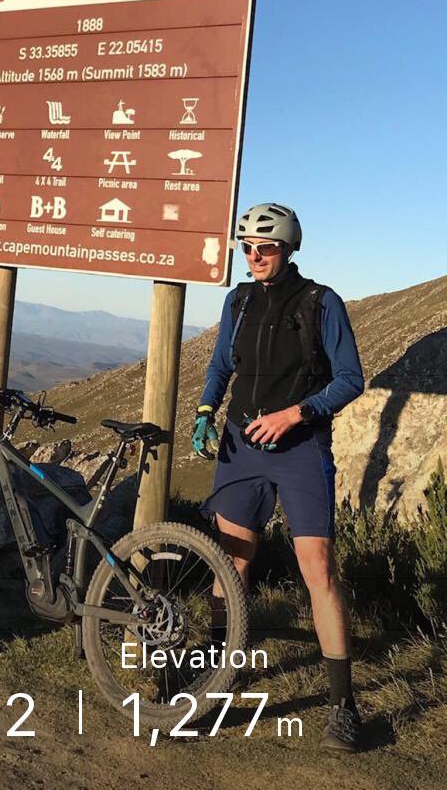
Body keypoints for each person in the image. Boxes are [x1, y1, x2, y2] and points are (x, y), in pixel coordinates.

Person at [191, 203, 365, 753]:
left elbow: (350, 380)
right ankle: (220, 679)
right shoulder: (238, 301)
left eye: (263, 248)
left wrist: (296, 414)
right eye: (246, 248)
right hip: (240, 445)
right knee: (231, 559)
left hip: (299, 448)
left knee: (318, 569)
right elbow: (222, 365)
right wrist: (203, 411)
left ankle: (343, 706)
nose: (254, 256)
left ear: (288, 248)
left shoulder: (321, 303)